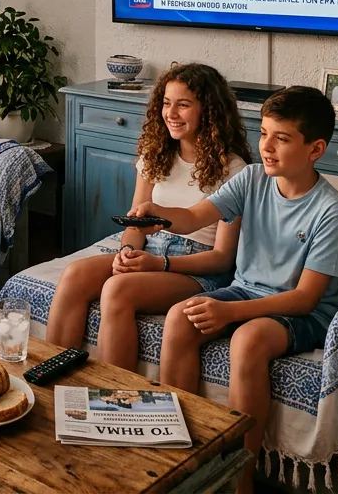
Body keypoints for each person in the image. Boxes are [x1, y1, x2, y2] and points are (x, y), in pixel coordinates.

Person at [153, 86, 338, 494]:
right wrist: (158, 216)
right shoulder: (252, 178)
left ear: (316, 149)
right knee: (180, 317)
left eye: (282, 138)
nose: (267, 147)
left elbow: (306, 298)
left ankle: (240, 484)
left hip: (303, 312)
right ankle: (178, 461)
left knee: (248, 340)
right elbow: (193, 217)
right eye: (263, 134)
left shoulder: (331, 210)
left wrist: (228, 313)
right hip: (246, 291)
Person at [44, 64, 251, 370]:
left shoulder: (234, 170)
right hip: (151, 254)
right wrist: (127, 252)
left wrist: (160, 264)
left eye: (183, 105)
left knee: (117, 290)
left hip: (197, 270)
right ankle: (52, 376)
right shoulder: (155, 156)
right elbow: (135, 225)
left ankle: (117, 391)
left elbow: (222, 258)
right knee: (75, 274)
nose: (171, 114)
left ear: (209, 111)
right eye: (166, 103)